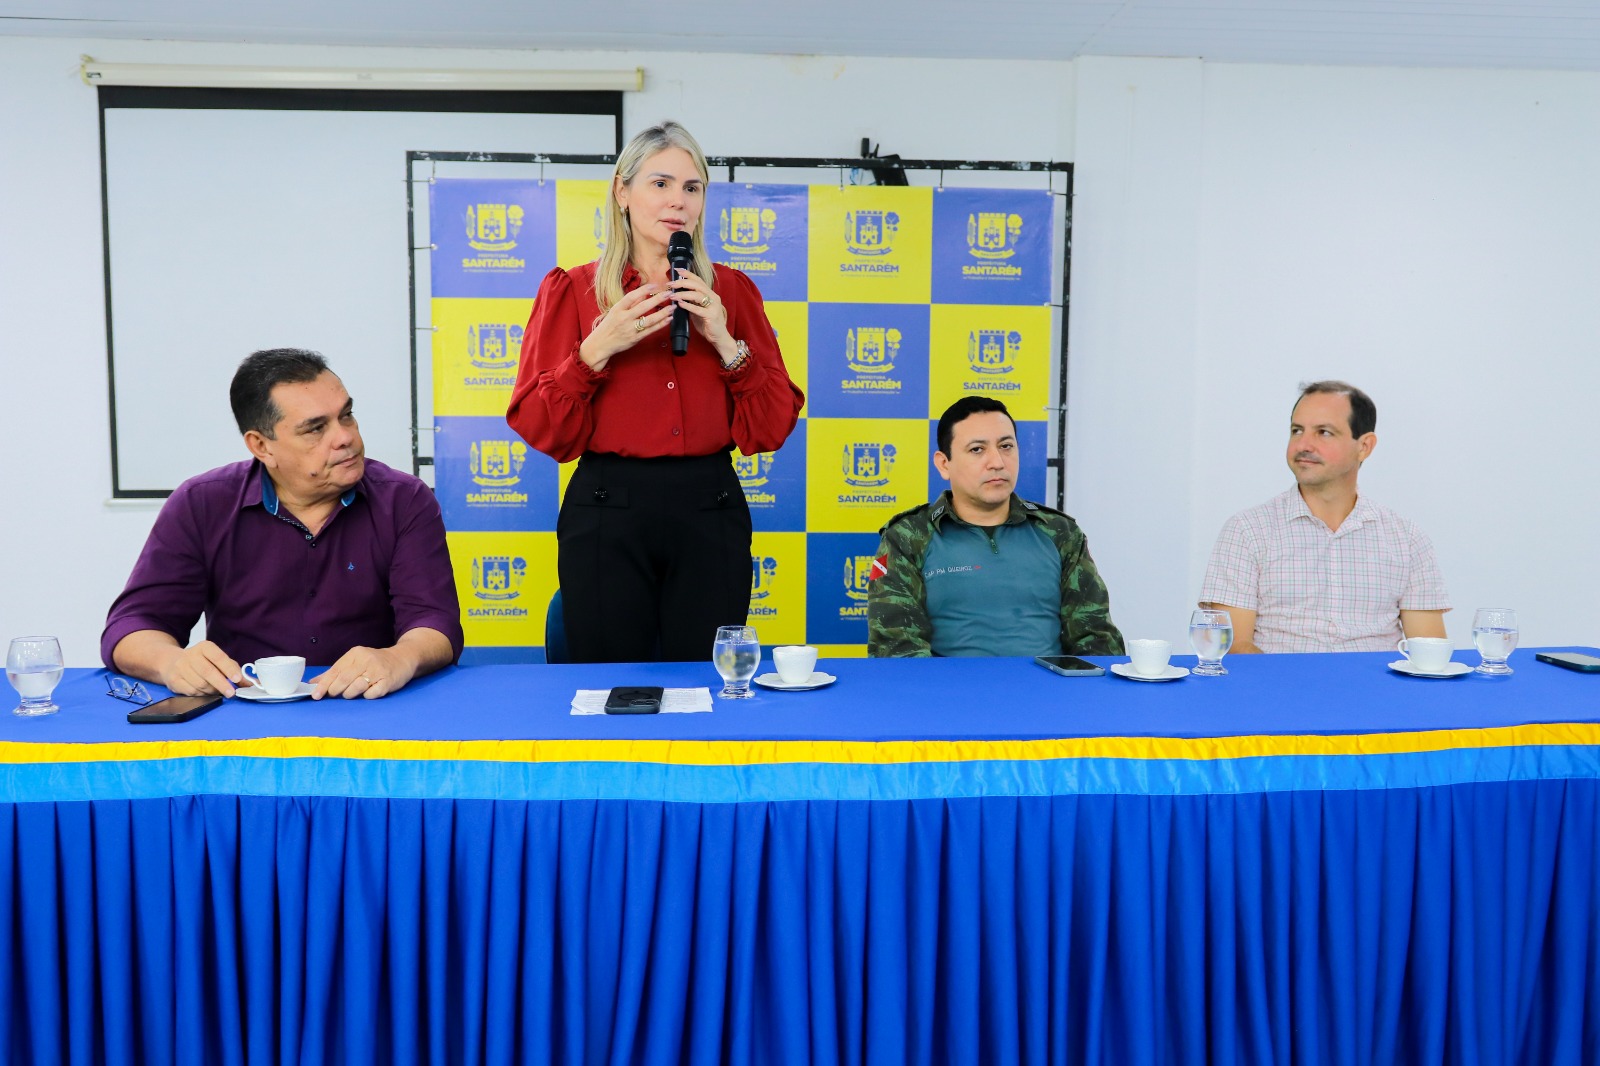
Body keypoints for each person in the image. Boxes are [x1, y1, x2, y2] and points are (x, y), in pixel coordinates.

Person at [506, 121, 804, 663]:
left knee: (705, 680)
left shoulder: (732, 292)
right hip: (606, 505)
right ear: (622, 191)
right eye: (660, 184)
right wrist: (596, 349)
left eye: (693, 188)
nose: (678, 202)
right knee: (608, 683)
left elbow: (771, 426)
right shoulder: (572, 290)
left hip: (709, 503)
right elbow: (540, 427)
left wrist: (724, 339)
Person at [102, 349, 463, 699]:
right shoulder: (202, 503)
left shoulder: (404, 499)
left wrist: (398, 658)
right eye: (315, 428)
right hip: (242, 717)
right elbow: (132, 627)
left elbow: (435, 623)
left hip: (364, 706)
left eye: (347, 415)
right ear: (261, 446)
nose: (346, 437)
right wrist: (172, 663)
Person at [1198, 380, 1450, 653]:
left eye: (1324, 432)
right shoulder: (1247, 531)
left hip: (1377, 693)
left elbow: (1428, 650)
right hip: (1278, 691)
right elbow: (1233, 646)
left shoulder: (1407, 539)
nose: (1303, 444)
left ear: (1364, 446)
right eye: (1297, 430)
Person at [868, 396, 1124, 658]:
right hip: (949, 695)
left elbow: (1096, 638)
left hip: (1046, 694)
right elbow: (896, 648)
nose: (997, 462)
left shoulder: (1060, 533)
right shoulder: (908, 537)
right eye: (977, 450)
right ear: (944, 464)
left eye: (1006, 446)